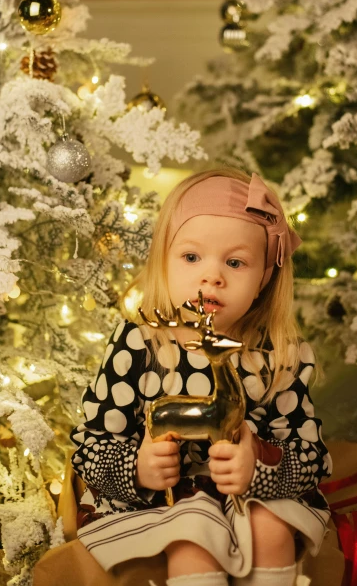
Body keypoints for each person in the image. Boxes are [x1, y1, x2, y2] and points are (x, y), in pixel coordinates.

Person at [70, 168, 332, 586]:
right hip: (161, 503)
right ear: (165, 261)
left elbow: (312, 455)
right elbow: (89, 446)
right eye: (192, 257)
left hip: (249, 496)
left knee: (271, 528)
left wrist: (259, 464)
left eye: (235, 262)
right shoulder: (139, 342)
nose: (212, 276)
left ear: (264, 278)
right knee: (194, 537)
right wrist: (138, 468)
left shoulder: (279, 354)